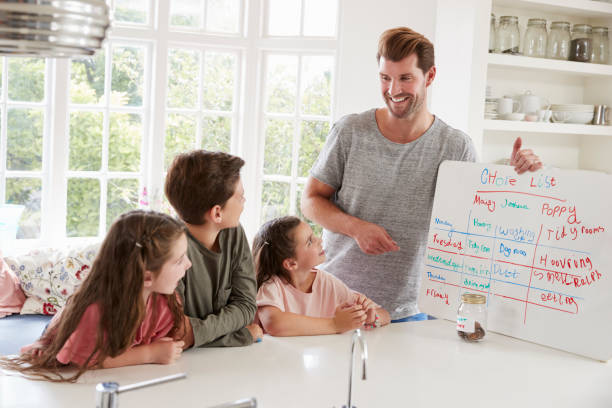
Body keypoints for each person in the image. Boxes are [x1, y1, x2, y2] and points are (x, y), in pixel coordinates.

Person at [301, 26, 542, 322]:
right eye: (385, 78)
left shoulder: (455, 146)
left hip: (410, 311)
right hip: (336, 302)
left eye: (405, 78)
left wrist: (516, 178)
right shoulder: (350, 132)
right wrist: (356, 228)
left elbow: (478, 222)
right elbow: (311, 200)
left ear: (430, 76)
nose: (393, 90)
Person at [0, 210, 192, 382]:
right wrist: (149, 354)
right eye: (179, 260)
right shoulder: (96, 310)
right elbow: (90, 359)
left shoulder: (165, 301)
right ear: (147, 276)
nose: (189, 264)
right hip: (69, 353)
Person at [165, 150, 261, 347]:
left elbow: (246, 306)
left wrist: (196, 333)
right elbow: (174, 333)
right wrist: (239, 336)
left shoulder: (234, 233)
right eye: (240, 197)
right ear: (217, 213)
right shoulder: (168, 248)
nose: (244, 204)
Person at [253, 216, 390, 336]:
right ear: (290, 263)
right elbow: (274, 324)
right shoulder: (271, 285)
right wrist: (335, 324)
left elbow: (385, 315)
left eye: (314, 235)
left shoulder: (327, 282)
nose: (319, 240)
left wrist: (371, 317)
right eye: (310, 241)